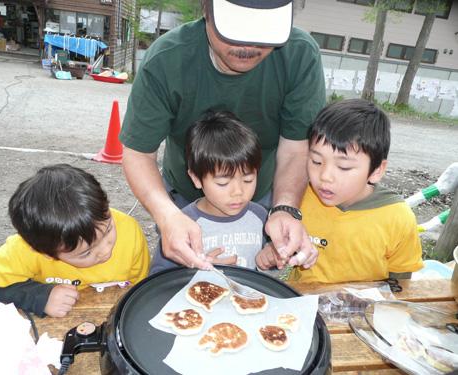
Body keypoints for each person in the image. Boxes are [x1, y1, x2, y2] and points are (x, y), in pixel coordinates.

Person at [120, 0, 325, 272]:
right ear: (207, 10)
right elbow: (138, 153)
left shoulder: (299, 55)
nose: (249, 46)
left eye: (264, 33)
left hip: (263, 192)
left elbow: (297, 148)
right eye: (236, 29)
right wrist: (168, 216)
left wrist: (285, 208)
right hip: (183, 194)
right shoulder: (167, 60)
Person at [256, 99, 423, 282]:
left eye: (343, 167)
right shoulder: (300, 199)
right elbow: (285, 249)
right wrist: (274, 251)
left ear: (376, 171)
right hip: (304, 303)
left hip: (365, 308)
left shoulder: (397, 218)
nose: (325, 176)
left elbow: (402, 284)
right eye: (316, 162)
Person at [0, 164, 150, 318]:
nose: (105, 251)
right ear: (44, 253)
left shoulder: (129, 229)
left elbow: (140, 288)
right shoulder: (24, 250)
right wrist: (41, 297)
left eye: (109, 229)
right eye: (86, 253)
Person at [149, 111, 268, 274]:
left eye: (248, 180)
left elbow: (271, 271)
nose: (238, 192)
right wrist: (195, 269)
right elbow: (158, 276)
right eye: (223, 183)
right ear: (196, 178)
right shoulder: (184, 224)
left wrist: (270, 259)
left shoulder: (260, 216)